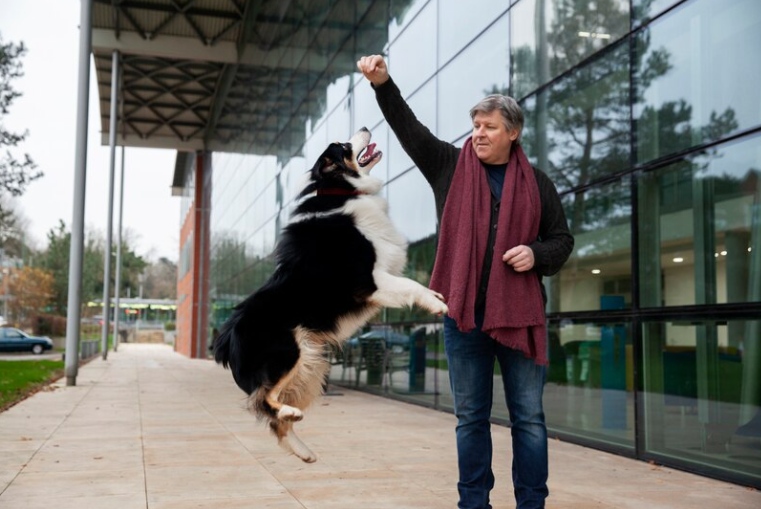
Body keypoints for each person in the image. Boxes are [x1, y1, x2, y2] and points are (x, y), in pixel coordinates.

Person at [356, 55, 574, 509]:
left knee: (529, 420)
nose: (478, 133)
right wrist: (383, 84)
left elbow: (562, 241)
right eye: (475, 125)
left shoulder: (538, 183)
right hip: (463, 319)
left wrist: (536, 254)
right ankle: (473, 504)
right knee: (471, 419)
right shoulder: (449, 167)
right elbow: (408, 128)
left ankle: (532, 503)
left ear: (512, 133)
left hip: (520, 319)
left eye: (489, 126)